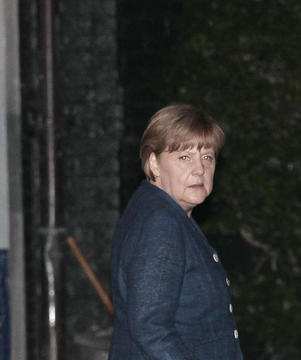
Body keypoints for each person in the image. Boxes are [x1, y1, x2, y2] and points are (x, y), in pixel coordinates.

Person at [108, 104, 243, 359]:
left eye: (207, 157)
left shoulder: (160, 212)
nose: (199, 169)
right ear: (154, 164)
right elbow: (150, 329)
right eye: (184, 157)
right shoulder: (162, 222)